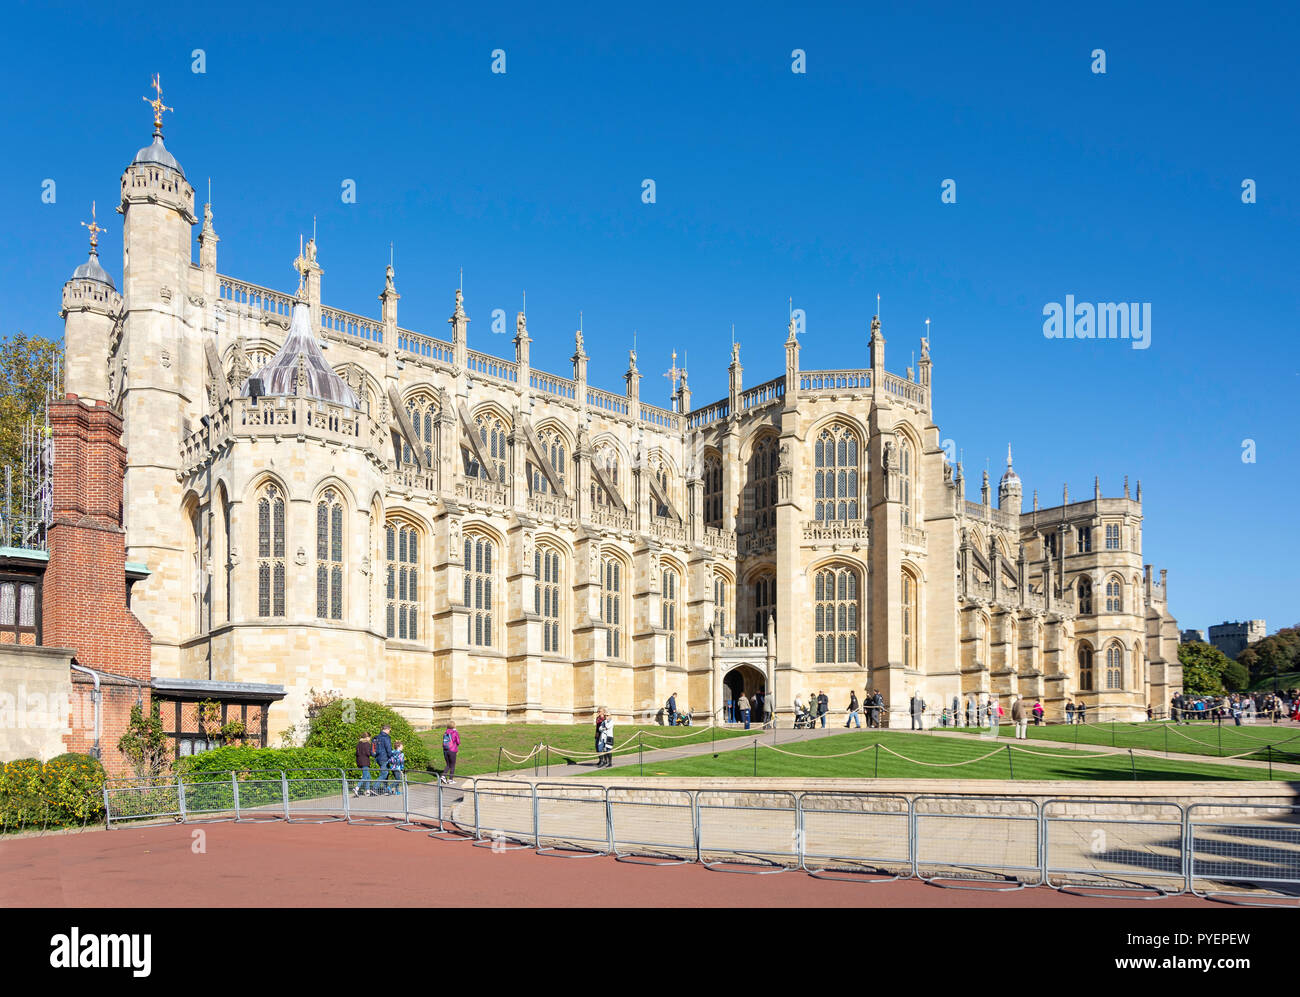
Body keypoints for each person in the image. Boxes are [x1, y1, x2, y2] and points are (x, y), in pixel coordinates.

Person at [373, 724, 394, 794]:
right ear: (386, 729)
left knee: (386, 774)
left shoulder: (377, 737)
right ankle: (374, 788)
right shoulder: (386, 737)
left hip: (378, 758)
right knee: (384, 773)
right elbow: (388, 748)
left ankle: (385, 789)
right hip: (384, 758)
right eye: (389, 730)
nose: (389, 732)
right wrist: (391, 756)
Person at [353, 732, 375, 797]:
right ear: (367, 737)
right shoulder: (367, 744)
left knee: (368, 776)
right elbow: (368, 753)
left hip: (359, 761)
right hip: (365, 761)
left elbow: (357, 753)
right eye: (369, 737)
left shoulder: (358, 744)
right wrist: (373, 753)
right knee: (365, 776)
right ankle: (357, 788)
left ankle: (367, 790)